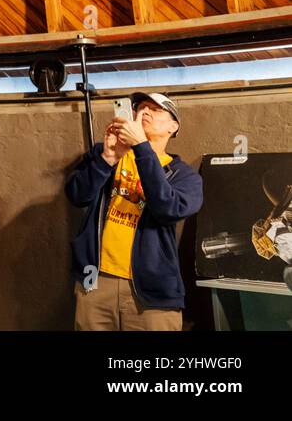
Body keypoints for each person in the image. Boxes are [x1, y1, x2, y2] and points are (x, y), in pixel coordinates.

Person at [64, 91, 202, 331]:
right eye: (140, 108)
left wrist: (141, 147)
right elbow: (77, 196)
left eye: (155, 109)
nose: (144, 111)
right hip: (95, 283)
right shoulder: (107, 154)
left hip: (152, 292)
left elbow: (168, 209)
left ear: (173, 126)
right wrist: (107, 158)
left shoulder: (184, 175)